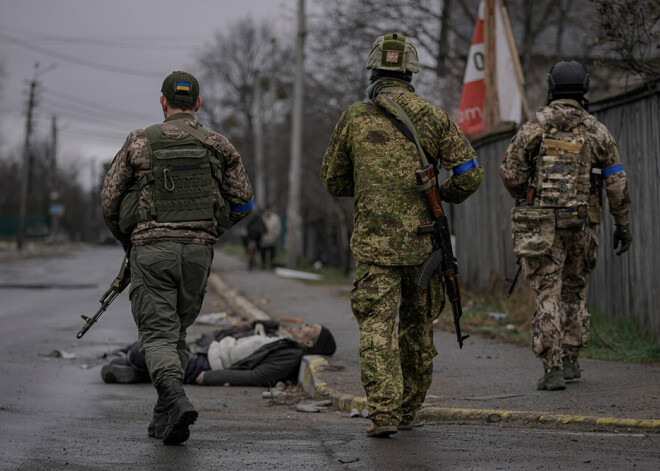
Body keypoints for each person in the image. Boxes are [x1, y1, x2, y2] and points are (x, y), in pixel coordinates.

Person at [320, 34, 483, 438]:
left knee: (376, 328)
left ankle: (384, 412)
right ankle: (409, 409)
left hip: (375, 248)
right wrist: (440, 194)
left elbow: (332, 180)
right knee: (417, 328)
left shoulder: (355, 117)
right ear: (411, 73)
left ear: (373, 72)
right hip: (424, 245)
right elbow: (470, 174)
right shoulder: (432, 115)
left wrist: (371, 186)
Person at [100, 71, 254, 445]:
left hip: (152, 251)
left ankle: (176, 397)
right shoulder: (218, 145)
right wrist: (213, 228)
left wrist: (130, 237)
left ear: (162, 102)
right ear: (197, 104)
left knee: (156, 335)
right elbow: (245, 201)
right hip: (197, 254)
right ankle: (164, 418)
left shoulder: (139, 142)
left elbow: (109, 200)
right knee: (175, 333)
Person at [499, 60, 632, 391]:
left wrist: (526, 193)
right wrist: (623, 224)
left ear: (551, 87)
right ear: (584, 89)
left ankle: (552, 368)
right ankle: (572, 361)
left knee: (548, 293)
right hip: (583, 223)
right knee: (575, 291)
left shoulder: (534, 129)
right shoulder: (596, 131)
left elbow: (510, 173)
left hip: (543, 226)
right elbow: (616, 182)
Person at [101, 320, 336, 389]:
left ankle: (137, 369)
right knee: (149, 355)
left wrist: (213, 377)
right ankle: (137, 374)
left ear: (308, 341)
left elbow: (258, 377)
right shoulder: (285, 341)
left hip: (208, 365)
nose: (305, 325)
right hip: (207, 353)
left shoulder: (290, 355)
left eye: (311, 329)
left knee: (140, 351)